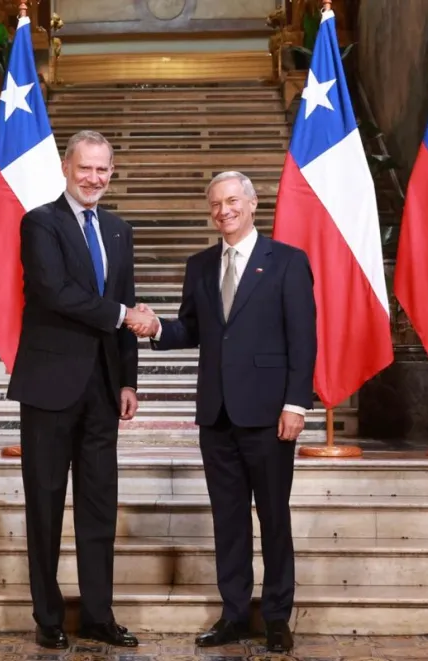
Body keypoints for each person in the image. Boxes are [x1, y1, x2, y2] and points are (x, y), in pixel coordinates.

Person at [128, 171, 316, 653]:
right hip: (216, 416)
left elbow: (304, 339)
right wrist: (153, 329)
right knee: (228, 519)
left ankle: (275, 617)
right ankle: (234, 614)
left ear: (253, 205)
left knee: (273, 518)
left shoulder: (287, 262)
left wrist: (296, 403)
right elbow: (191, 329)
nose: (223, 211)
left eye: (232, 201)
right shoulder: (200, 264)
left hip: (270, 414)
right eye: (215, 204)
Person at [6, 130, 152, 650]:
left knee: (98, 505)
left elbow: (129, 302)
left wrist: (129, 379)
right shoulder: (40, 222)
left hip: (103, 390)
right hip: (49, 387)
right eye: (85, 168)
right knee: (44, 504)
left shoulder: (119, 230)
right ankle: (47, 616)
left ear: (112, 173)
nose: (94, 178)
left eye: (103, 170)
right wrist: (121, 316)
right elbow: (53, 290)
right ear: (67, 169)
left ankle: (97, 615)